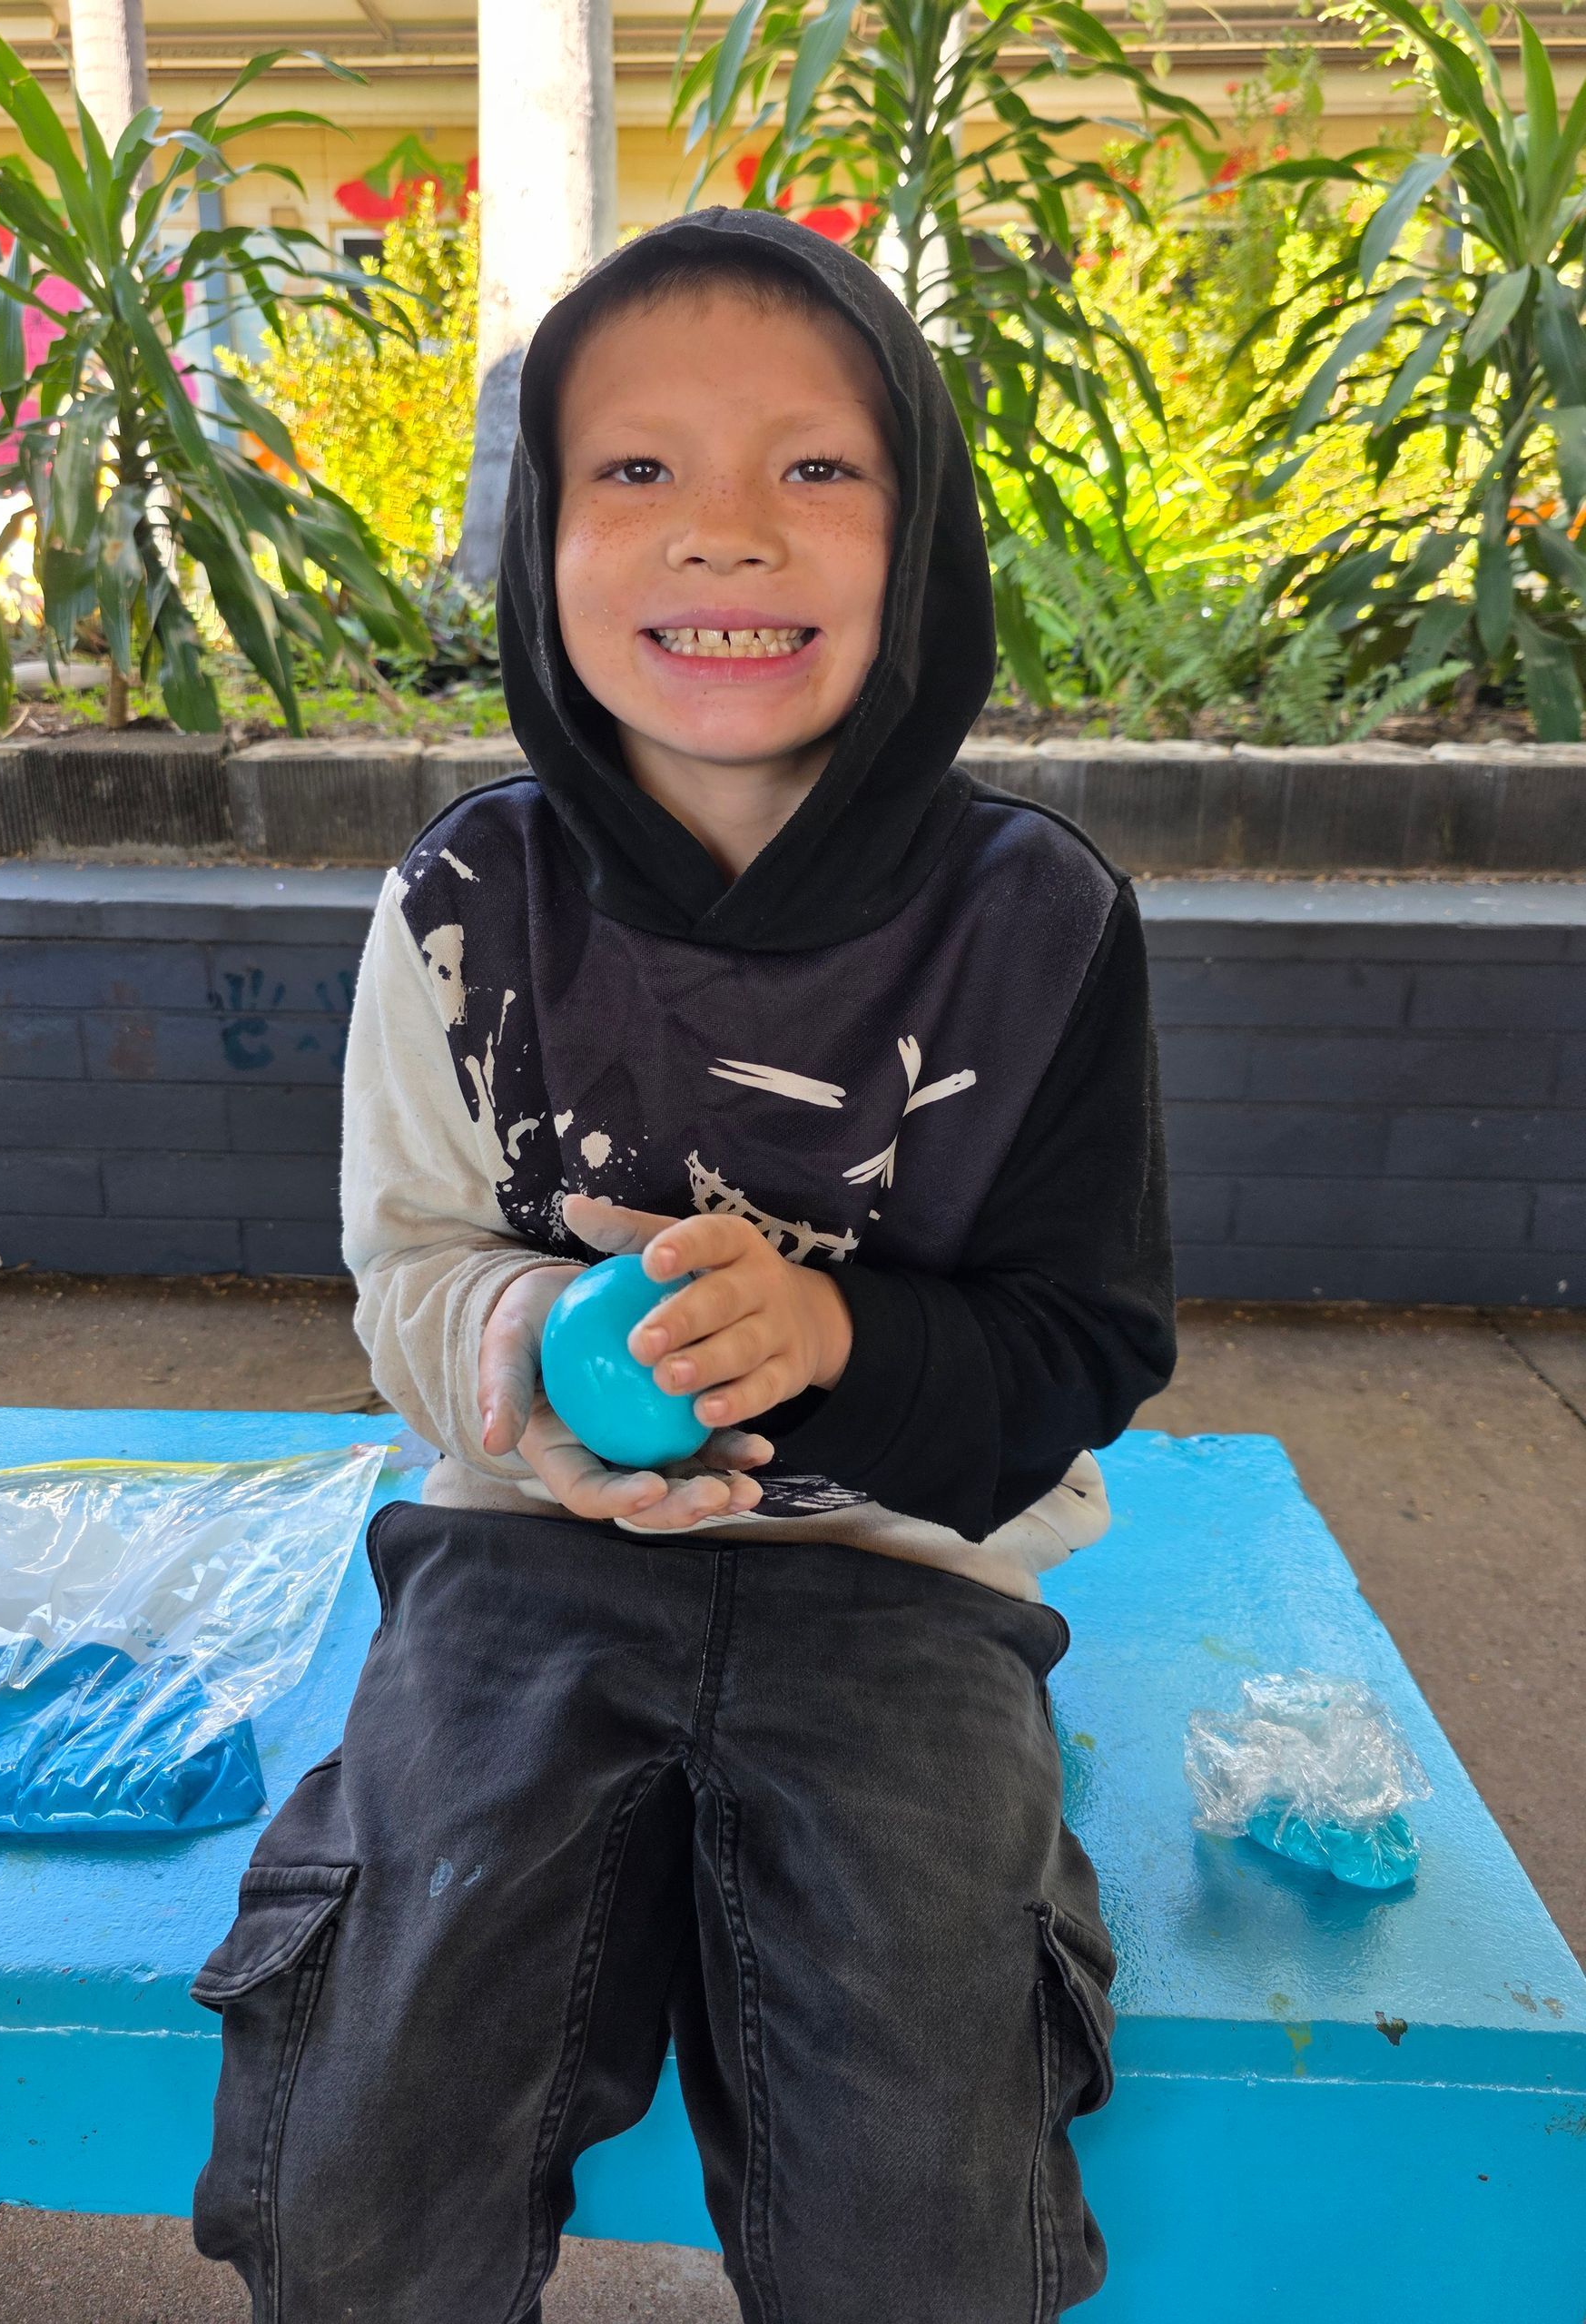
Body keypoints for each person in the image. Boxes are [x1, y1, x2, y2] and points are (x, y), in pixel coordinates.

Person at [190, 206, 1176, 2324]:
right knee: (364, 2152)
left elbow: (1084, 1340)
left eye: (816, 468)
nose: (726, 536)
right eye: (637, 470)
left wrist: (828, 1330)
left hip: (901, 1586)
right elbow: (412, 1268)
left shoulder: (1043, 917)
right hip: (521, 1559)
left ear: (919, 536)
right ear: (540, 537)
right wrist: (543, 1346)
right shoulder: (465, 897)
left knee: (921, 2198)